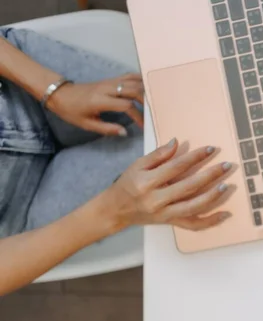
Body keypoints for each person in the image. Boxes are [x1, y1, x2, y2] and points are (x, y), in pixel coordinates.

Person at [0, 28, 234, 296]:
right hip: (22, 210)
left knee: (195, 99)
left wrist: (55, 91)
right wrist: (112, 211)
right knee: (209, 152)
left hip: (16, 86)